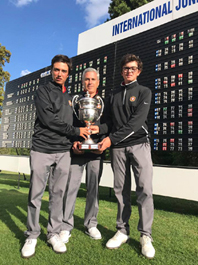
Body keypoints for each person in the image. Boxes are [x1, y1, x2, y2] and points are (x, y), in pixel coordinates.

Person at [21, 55, 89, 258]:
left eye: (64, 71)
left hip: (63, 152)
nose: (59, 74)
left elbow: (73, 122)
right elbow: (48, 119)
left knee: (58, 195)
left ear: (69, 73)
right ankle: (32, 234)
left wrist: (77, 136)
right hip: (42, 149)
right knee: (35, 195)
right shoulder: (42, 90)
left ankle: (53, 233)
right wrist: (76, 132)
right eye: (56, 70)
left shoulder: (70, 97)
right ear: (52, 70)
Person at [91, 54, 155, 259]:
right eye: (126, 68)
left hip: (139, 145)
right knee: (120, 191)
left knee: (144, 189)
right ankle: (122, 230)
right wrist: (96, 130)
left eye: (133, 68)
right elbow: (109, 122)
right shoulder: (113, 94)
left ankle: (145, 235)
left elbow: (135, 124)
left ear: (139, 71)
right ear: (121, 71)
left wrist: (110, 139)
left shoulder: (144, 92)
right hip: (117, 148)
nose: (129, 71)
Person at [59, 68, 105, 244]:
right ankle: (65, 225)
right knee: (71, 188)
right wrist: (73, 141)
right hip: (77, 151)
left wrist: (99, 135)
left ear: (98, 82)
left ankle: (91, 223)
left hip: (95, 152)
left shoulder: (103, 102)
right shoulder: (75, 101)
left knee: (93, 189)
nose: (90, 83)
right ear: (82, 82)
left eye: (93, 79)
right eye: (86, 79)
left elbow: (109, 125)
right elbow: (68, 125)